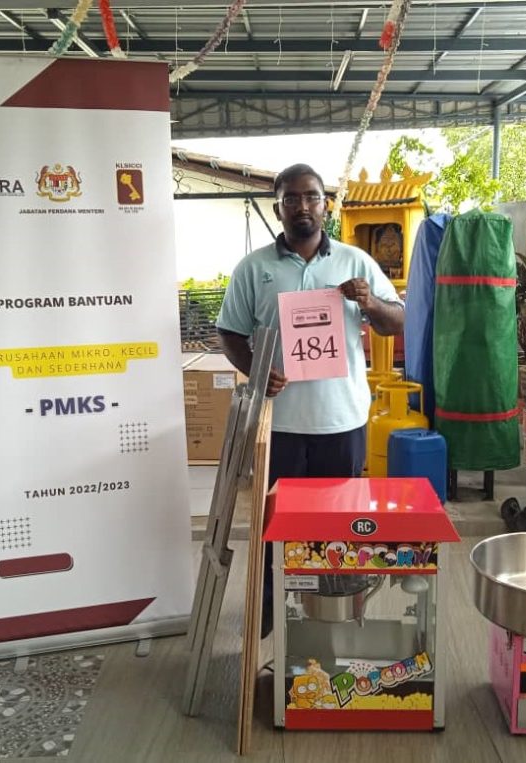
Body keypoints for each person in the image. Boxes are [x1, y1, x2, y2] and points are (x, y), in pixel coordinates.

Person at [215, 163, 404, 635]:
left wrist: (370, 302)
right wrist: (258, 372)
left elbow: (396, 321)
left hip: (341, 421)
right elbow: (229, 332)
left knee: (337, 526)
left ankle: (329, 614)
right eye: (292, 198)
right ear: (278, 206)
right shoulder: (254, 268)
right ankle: (268, 611)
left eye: (312, 197)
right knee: (274, 522)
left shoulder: (356, 262)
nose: (303, 206)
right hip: (278, 423)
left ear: (326, 205)